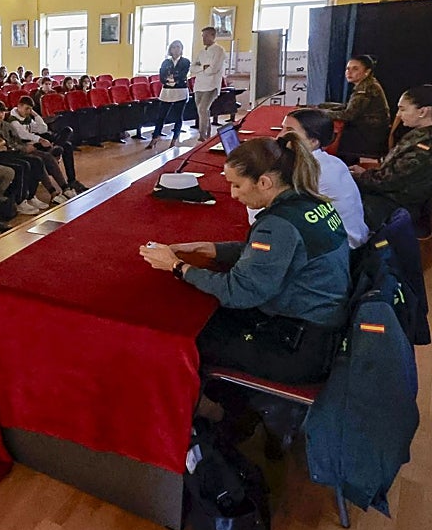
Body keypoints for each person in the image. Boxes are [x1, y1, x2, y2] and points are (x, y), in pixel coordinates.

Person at [139, 136, 350, 384]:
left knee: (181, 337)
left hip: (298, 346)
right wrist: (213, 249)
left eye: (237, 186)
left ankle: (212, 412)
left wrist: (178, 267)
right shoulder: (309, 200)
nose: (233, 194)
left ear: (264, 182)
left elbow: (239, 292)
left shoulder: (277, 224)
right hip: (322, 328)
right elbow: (281, 254)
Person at [271, 109, 368, 248]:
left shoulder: (310, 171)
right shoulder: (333, 161)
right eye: (282, 128)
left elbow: (270, 212)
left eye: (289, 131)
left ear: (313, 141)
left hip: (340, 250)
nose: (279, 136)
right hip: (349, 241)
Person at [351, 85, 432, 229]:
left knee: (345, 208)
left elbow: (388, 181)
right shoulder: (419, 135)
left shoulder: (425, 147)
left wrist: (358, 176)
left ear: (423, 111)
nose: (399, 115)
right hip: (393, 194)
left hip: (399, 204)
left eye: (403, 109)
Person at [318, 55, 392, 164]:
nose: (349, 72)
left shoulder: (365, 89)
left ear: (367, 72)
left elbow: (348, 115)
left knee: (331, 138)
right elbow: (350, 106)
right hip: (368, 130)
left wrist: (320, 113)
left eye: (355, 69)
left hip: (369, 134)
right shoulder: (368, 84)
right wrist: (324, 107)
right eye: (348, 68)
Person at [147, 41, 191, 151]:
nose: (176, 49)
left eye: (178, 47)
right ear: (170, 49)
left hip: (180, 91)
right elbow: (162, 76)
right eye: (173, 47)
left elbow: (182, 75)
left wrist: (173, 79)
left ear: (181, 49)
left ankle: (174, 139)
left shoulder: (185, 61)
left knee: (178, 117)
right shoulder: (165, 62)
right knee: (161, 116)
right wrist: (169, 80)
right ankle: (155, 137)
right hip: (167, 92)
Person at [192, 26, 226, 142]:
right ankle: (207, 133)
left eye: (206, 36)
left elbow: (213, 69)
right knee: (202, 111)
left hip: (211, 85)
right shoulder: (201, 52)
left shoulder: (219, 50)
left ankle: (203, 135)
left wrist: (202, 69)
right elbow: (192, 68)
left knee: (203, 109)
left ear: (213, 36)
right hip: (199, 85)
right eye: (202, 36)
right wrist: (203, 67)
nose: (204, 39)